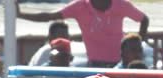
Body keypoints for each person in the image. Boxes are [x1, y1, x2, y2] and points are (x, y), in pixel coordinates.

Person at [16, 0, 148, 68]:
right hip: (94, 66)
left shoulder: (120, 4)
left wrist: (138, 44)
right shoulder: (80, 6)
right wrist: (20, 15)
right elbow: (50, 16)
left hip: (120, 64)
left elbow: (144, 19)